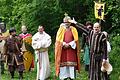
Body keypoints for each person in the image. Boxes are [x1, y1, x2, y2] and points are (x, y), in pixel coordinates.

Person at [55, 13, 80, 80]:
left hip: (71, 49)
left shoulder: (73, 29)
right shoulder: (60, 29)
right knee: (63, 65)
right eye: (65, 22)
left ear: (70, 22)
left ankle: (71, 77)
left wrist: (69, 44)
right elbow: (58, 40)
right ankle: (64, 77)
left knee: (71, 64)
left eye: (68, 22)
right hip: (62, 50)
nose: (66, 23)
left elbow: (76, 39)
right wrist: (63, 44)